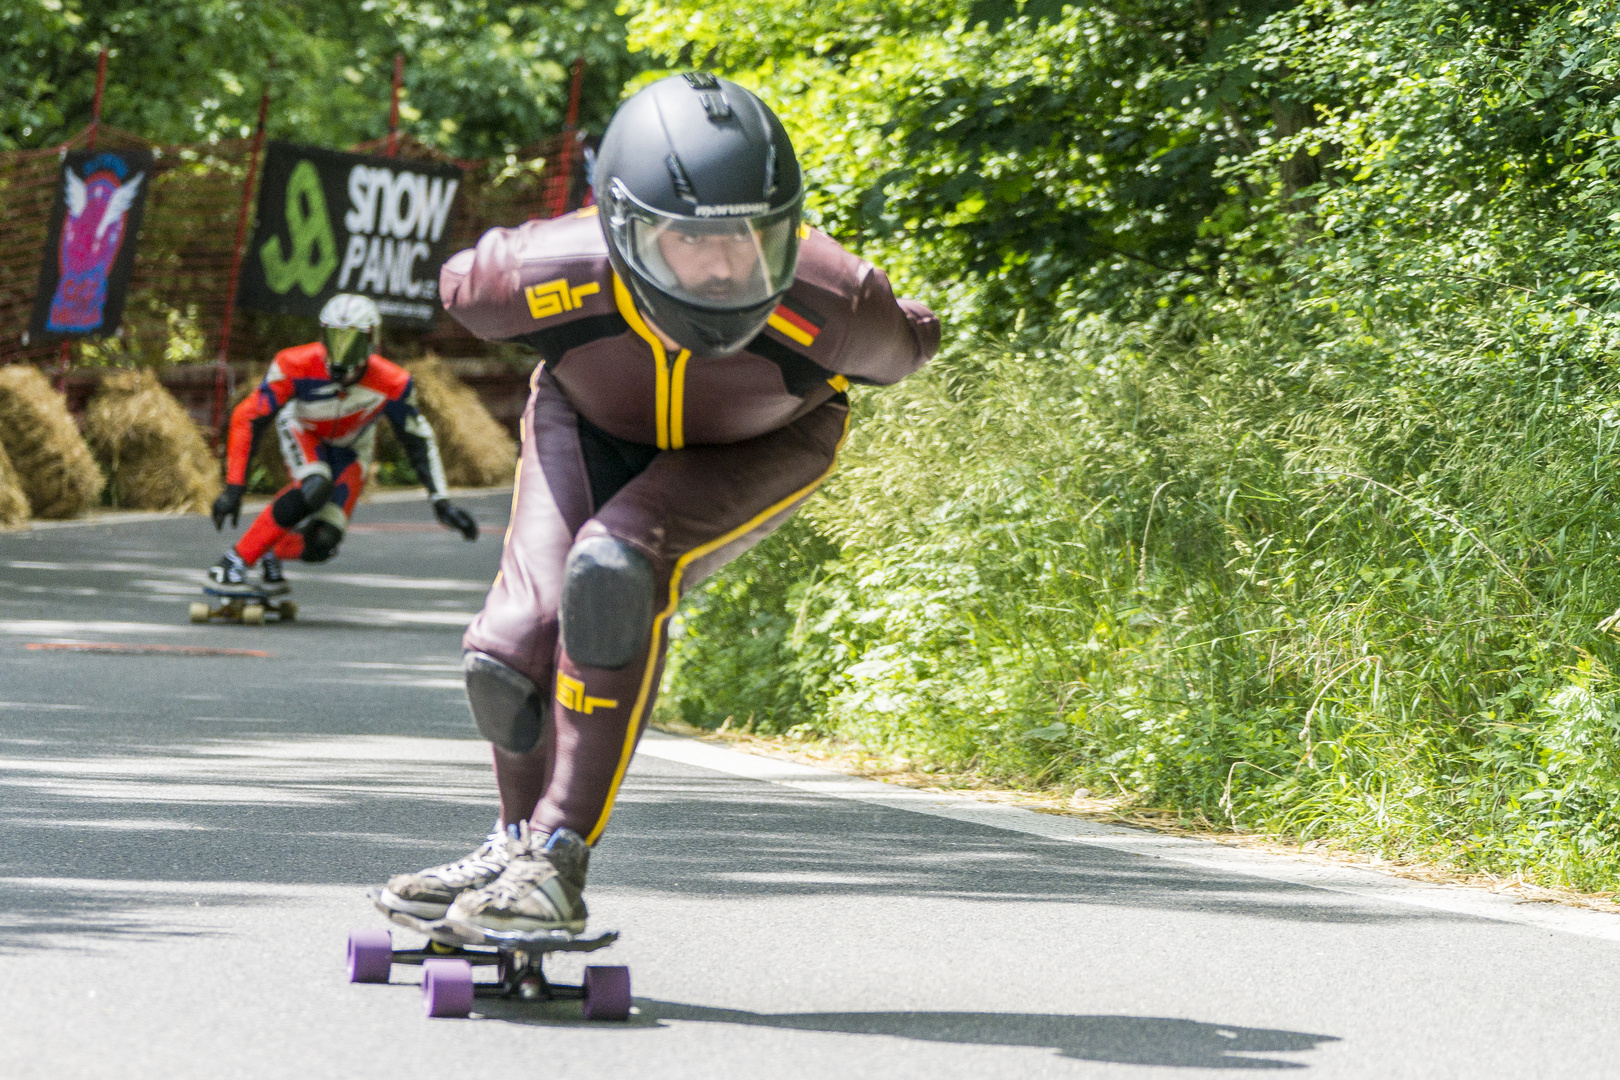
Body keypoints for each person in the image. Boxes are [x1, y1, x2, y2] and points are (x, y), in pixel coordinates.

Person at [378, 73, 939, 935]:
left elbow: (910, 344)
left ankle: (556, 861)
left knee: (614, 568)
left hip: (760, 445)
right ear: (625, 228)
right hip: (585, 420)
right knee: (506, 650)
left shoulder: (836, 305)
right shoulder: (534, 277)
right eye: (692, 243)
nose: (725, 268)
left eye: (754, 240)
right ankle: (511, 844)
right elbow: (459, 278)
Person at [208, 293, 479, 587]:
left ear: (372, 341)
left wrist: (441, 502)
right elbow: (248, 417)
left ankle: (271, 549)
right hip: (304, 430)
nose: (341, 352)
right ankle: (233, 562)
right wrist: (234, 488)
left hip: (353, 448)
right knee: (316, 485)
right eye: (334, 338)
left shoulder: (393, 382)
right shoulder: (292, 364)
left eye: (352, 341)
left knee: (323, 543)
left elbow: (418, 439)